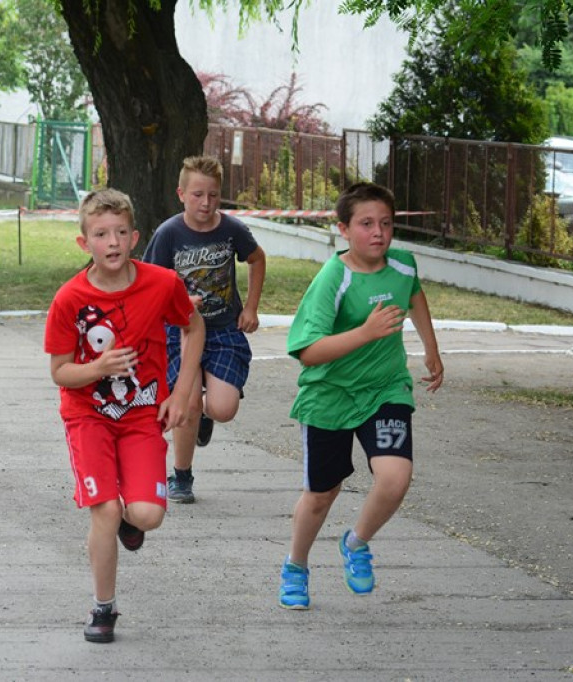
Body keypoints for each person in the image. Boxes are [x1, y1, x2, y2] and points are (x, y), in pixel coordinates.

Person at [45, 188, 204, 643]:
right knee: (106, 510)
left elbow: (194, 326)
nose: (111, 242)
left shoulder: (162, 283)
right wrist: (99, 368)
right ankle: (103, 607)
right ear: (85, 243)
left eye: (120, 232)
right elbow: (59, 372)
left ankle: (133, 521)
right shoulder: (69, 299)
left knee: (147, 515)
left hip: (141, 416)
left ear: (135, 238)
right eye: (100, 234)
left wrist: (181, 391)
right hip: (87, 416)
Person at [277, 182, 444, 610]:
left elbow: (415, 296)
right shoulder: (333, 278)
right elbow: (308, 351)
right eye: (366, 224)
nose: (378, 233)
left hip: (385, 388)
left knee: (395, 477)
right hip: (329, 396)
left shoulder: (403, 264)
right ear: (343, 230)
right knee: (322, 495)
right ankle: (296, 565)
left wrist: (431, 348)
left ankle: (356, 542)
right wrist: (366, 332)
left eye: (386, 223)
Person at [142, 155, 266, 503]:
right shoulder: (168, 233)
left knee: (223, 408)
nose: (206, 203)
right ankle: (182, 475)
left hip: (223, 329)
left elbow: (257, 258)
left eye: (213, 195)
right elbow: (150, 282)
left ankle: (203, 416)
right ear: (181, 194)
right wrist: (174, 306)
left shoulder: (232, 230)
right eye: (197, 195)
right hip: (179, 331)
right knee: (188, 402)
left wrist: (251, 307)